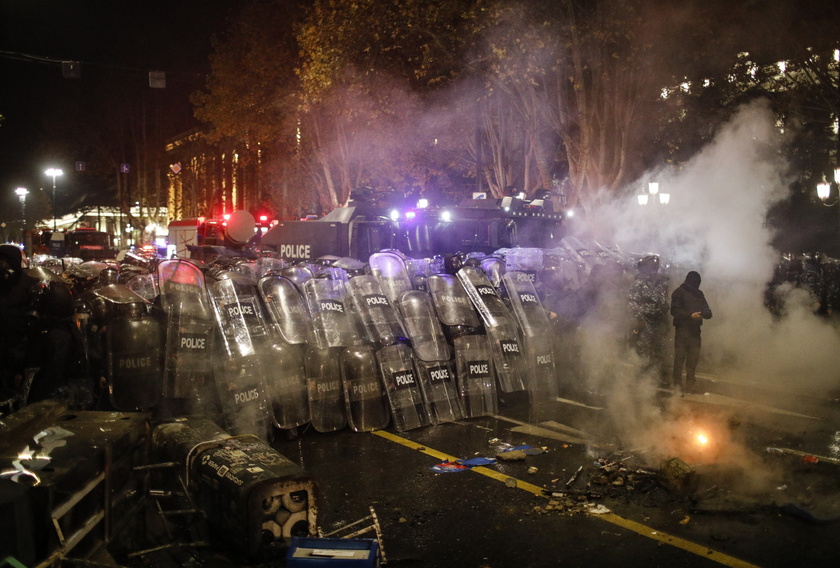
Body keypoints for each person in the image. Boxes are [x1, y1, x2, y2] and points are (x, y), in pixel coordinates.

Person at [628, 255, 670, 382]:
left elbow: (664, 302)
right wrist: (640, 319)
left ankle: (654, 381)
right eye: (652, 266)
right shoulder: (639, 283)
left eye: (656, 266)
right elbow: (632, 303)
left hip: (659, 322)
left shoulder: (661, 283)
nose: (655, 268)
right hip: (645, 322)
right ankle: (640, 381)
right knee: (644, 353)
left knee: (658, 351)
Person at [670, 270, 712, 395]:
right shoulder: (678, 292)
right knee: (679, 359)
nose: (697, 284)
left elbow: (708, 312)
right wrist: (690, 316)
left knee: (693, 360)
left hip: (695, 332)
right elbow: (674, 311)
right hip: (682, 330)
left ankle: (690, 385)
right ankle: (677, 385)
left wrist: (703, 314)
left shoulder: (699, 294)